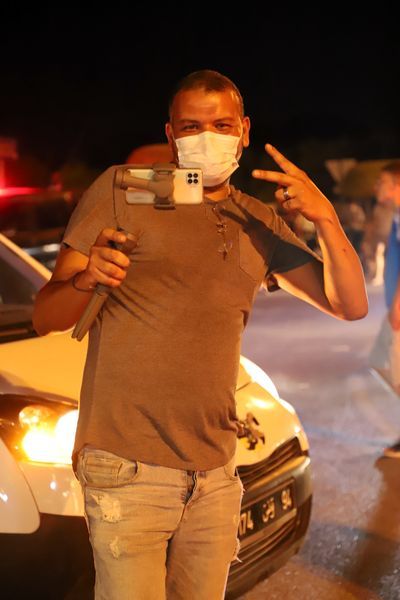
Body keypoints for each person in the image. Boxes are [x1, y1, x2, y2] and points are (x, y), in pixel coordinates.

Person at [32, 70, 368, 600]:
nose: (206, 137)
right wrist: (86, 278)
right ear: (171, 135)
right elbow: (45, 316)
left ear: (244, 130)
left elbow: (350, 305)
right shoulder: (127, 189)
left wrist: (325, 217)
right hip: (128, 470)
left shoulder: (256, 221)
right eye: (191, 127)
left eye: (221, 125)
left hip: (216, 475)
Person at [368, 162, 400, 458]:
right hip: (395, 307)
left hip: (399, 310)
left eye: (382, 182)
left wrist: (398, 306)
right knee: (381, 361)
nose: (376, 187)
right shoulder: (395, 216)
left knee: (389, 365)